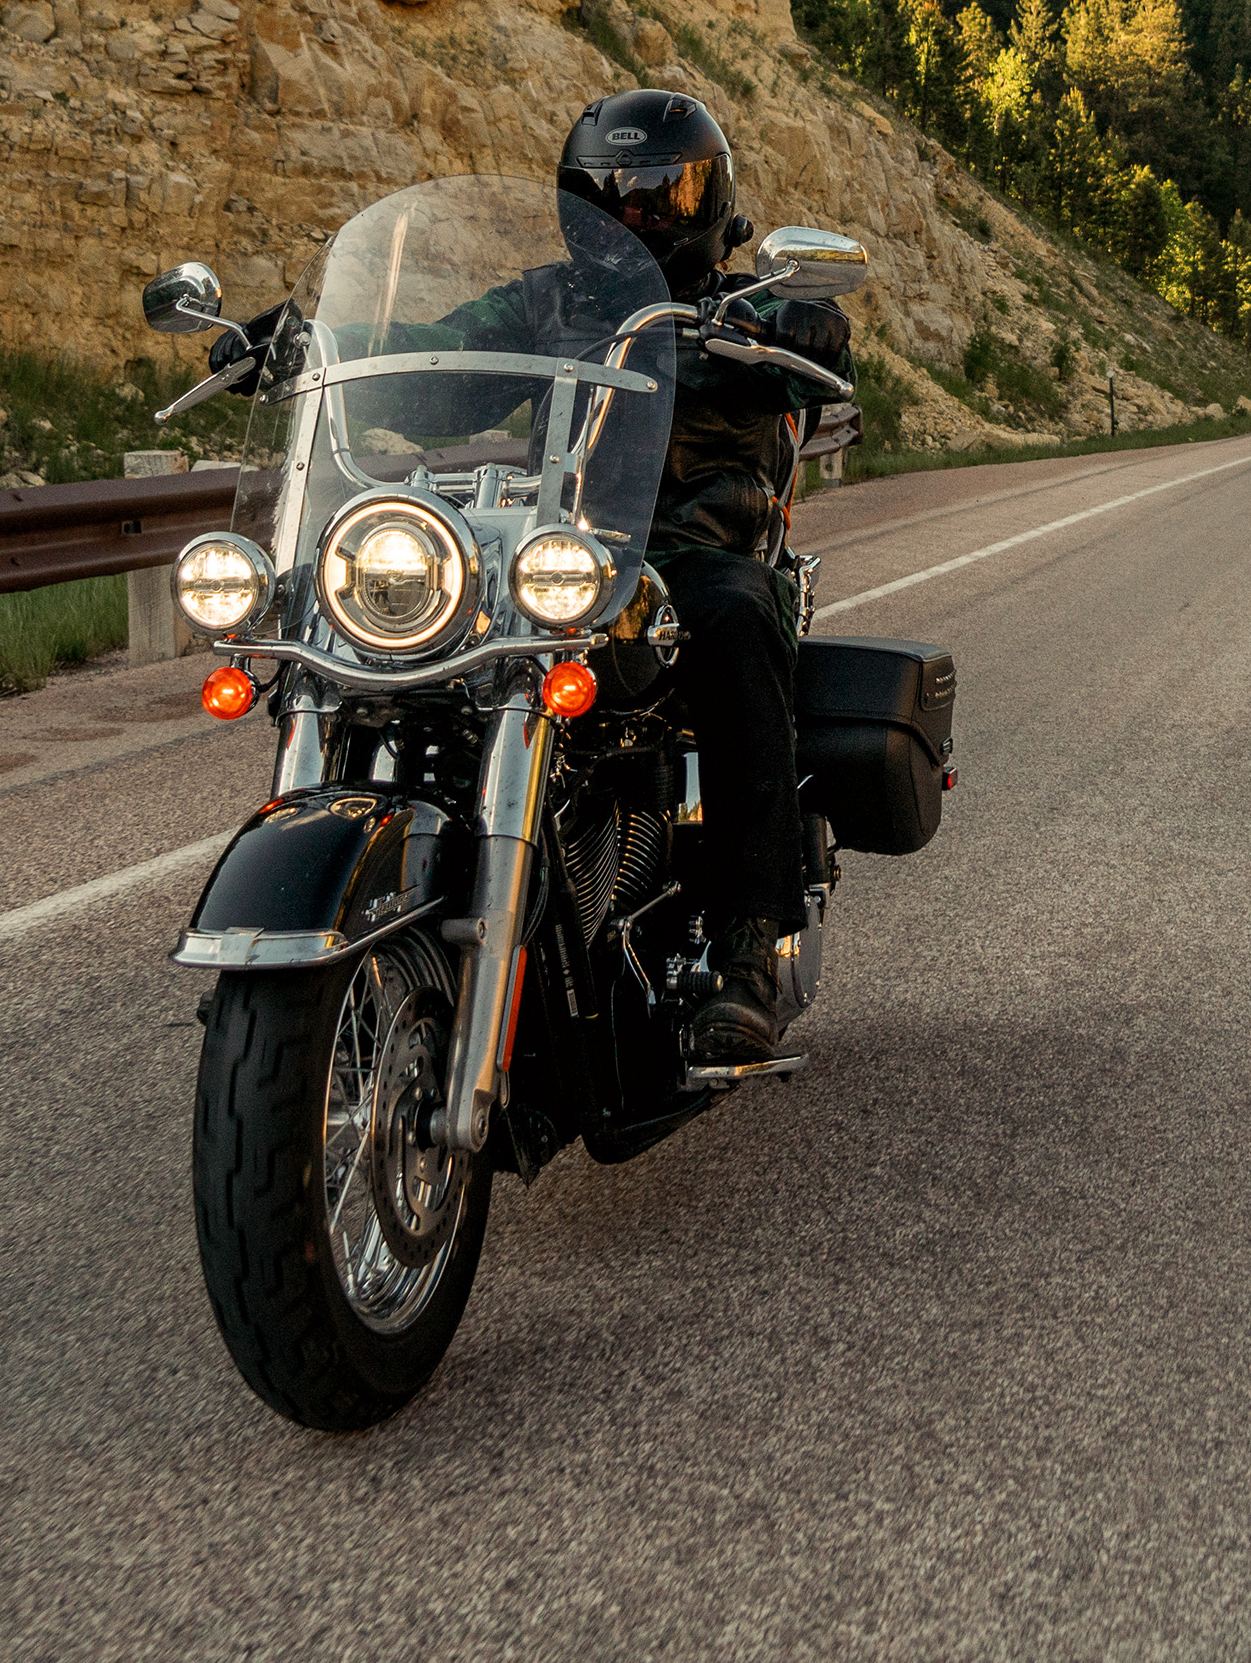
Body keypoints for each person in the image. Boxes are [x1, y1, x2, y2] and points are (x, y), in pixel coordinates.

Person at [191, 90, 848, 1065]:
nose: (636, 215)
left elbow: (823, 345)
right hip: (558, 551)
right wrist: (303, 343)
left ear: (713, 199)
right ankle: (304, 960)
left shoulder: (746, 305)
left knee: (737, 615)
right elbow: (431, 366)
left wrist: (795, 325)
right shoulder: (542, 303)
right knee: (370, 641)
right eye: (609, 196)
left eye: (664, 194)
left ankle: (747, 949)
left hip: (690, 556)